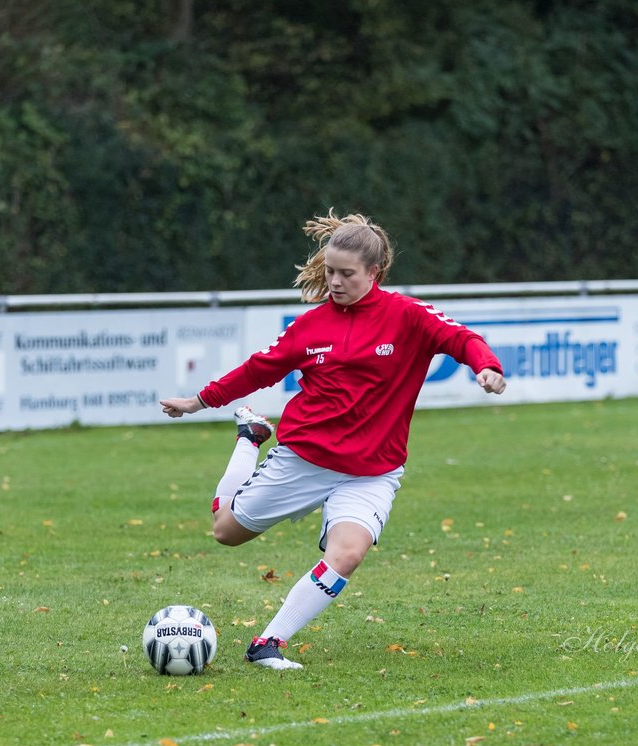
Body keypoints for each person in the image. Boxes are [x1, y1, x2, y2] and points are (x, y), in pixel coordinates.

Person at [160, 210, 506, 670]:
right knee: (225, 532)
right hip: (304, 459)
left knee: (348, 554)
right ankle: (251, 438)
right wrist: (197, 402)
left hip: (373, 471)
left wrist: (487, 366)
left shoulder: (408, 316)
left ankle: (268, 643)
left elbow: (461, 338)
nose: (335, 282)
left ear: (374, 273)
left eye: (347, 274)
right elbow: (257, 369)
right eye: (330, 272)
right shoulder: (311, 326)